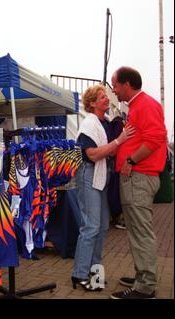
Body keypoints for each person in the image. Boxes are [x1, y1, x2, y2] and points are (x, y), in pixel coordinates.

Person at [110, 66, 167, 299]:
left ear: (127, 84)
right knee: (136, 231)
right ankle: (143, 276)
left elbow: (156, 137)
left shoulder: (145, 105)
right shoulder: (137, 106)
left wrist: (131, 160)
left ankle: (145, 287)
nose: (114, 90)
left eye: (115, 85)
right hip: (138, 177)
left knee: (141, 232)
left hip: (139, 177)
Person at [71, 84, 135, 291]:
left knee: (102, 226)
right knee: (91, 226)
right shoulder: (89, 124)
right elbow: (93, 154)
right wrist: (119, 140)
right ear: (91, 103)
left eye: (106, 96)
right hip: (89, 174)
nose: (107, 100)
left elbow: (110, 152)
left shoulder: (105, 122)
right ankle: (79, 274)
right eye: (101, 98)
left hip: (102, 176)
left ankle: (95, 272)